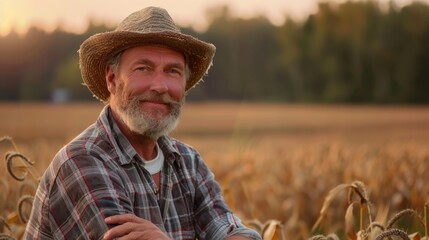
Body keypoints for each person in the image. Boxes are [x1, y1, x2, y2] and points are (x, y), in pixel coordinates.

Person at [24, 6, 261, 240]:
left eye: (173, 71)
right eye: (143, 68)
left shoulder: (188, 162)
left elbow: (237, 234)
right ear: (112, 78)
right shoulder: (82, 162)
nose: (160, 86)